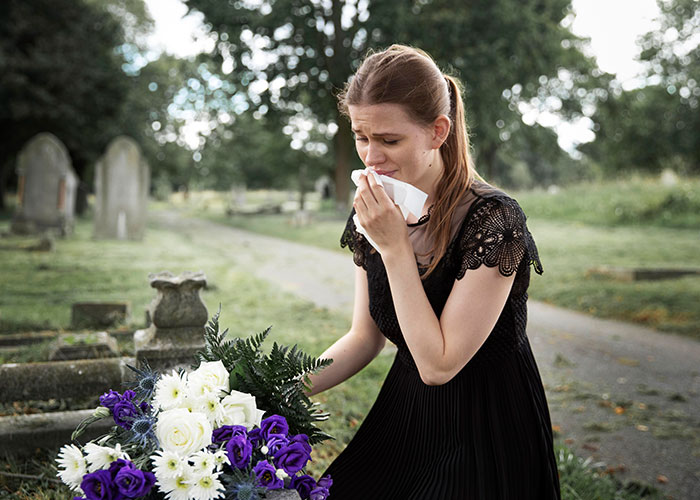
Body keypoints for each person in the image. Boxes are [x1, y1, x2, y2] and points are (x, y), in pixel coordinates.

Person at [306, 44, 561, 500]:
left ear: (437, 131)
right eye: (361, 137)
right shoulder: (375, 214)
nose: (371, 157)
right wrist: (269, 389)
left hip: (489, 428)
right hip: (407, 415)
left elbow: (439, 364)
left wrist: (395, 248)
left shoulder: (494, 220)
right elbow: (364, 338)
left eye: (389, 140)